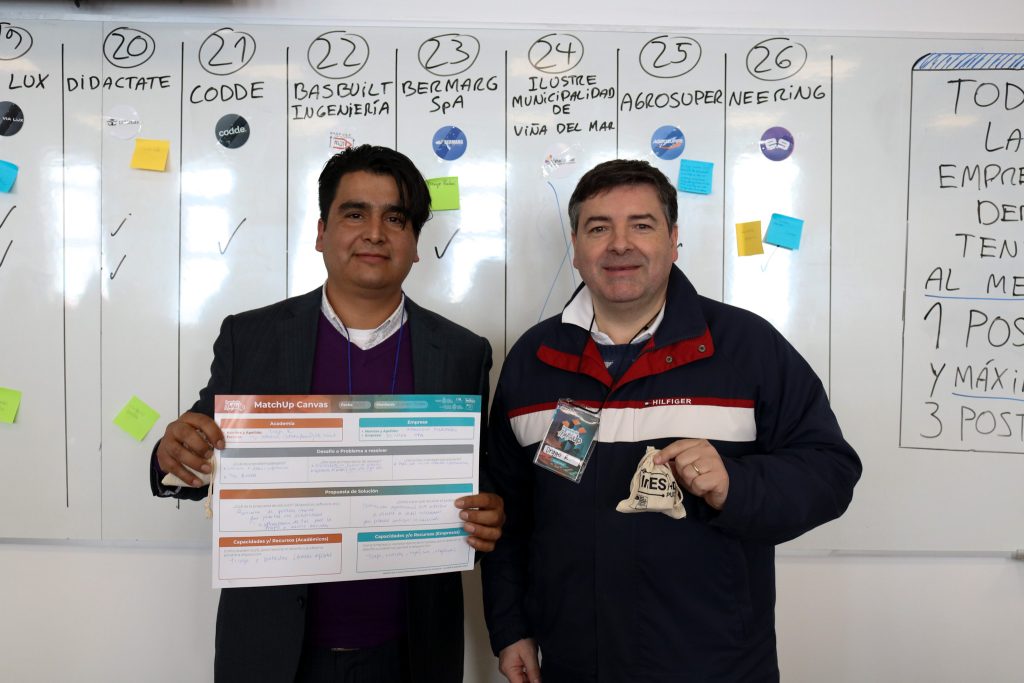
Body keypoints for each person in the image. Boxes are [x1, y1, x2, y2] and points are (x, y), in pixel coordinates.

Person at [482, 159, 861, 682]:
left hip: (718, 666)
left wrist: (735, 484)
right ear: (575, 246)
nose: (620, 245)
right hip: (574, 662)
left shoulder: (748, 347)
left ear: (674, 239)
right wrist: (511, 626)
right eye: (599, 228)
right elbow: (506, 513)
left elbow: (831, 471)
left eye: (641, 225)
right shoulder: (532, 360)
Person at [151, 144, 504, 683]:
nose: (375, 233)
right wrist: (173, 452)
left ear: (415, 243)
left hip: (411, 651)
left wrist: (489, 514)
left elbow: (476, 488)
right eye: (355, 214)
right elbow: (200, 458)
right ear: (321, 232)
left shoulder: (462, 352)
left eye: (396, 219)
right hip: (274, 652)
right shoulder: (251, 338)